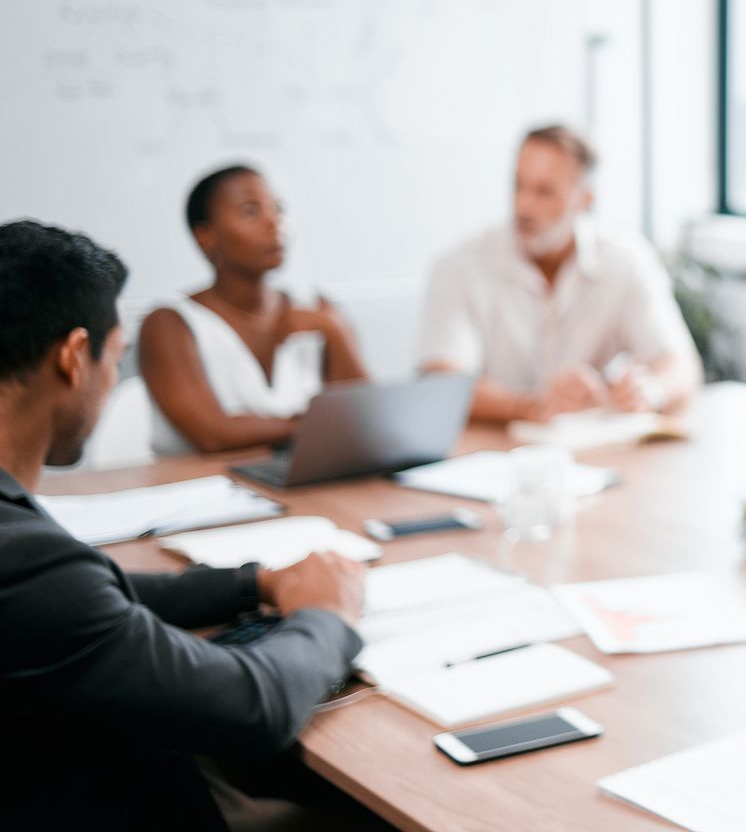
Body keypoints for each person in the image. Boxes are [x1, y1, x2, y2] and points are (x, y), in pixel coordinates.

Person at [0, 219, 369, 831]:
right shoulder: (27, 567)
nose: (112, 378)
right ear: (72, 358)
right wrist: (326, 615)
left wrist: (257, 583)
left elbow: (93, 590)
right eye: (115, 358)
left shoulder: (29, 559)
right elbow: (256, 706)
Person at [419, 124, 701, 422]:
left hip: (591, 449)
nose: (524, 206)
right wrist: (530, 406)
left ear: (585, 200)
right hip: (491, 449)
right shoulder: (461, 265)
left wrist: (649, 390)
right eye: (518, 186)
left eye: (545, 192)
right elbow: (444, 383)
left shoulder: (625, 259)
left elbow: (681, 367)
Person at [141, 165, 370, 454]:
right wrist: (307, 425)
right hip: (199, 489)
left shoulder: (317, 309)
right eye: (251, 211)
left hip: (301, 488)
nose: (274, 222)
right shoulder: (170, 323)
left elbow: (364, 421)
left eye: (278, 209)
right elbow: (213, 435)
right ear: (205, 236)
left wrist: (336, 332)